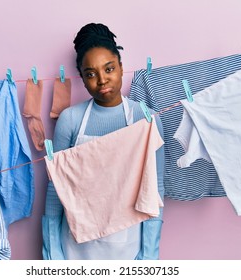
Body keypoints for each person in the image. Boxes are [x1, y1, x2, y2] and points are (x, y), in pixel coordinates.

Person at [42, 23, 165, 260]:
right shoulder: (70, 120)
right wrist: (52, 253)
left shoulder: (145, 118)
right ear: (82, 78)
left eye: (109, 69)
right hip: (75, 248)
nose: (101, 80)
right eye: (91, 74)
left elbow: (156, 187)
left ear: (120, 66)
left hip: (128, 245)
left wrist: (149, 255)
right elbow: (55, 189)